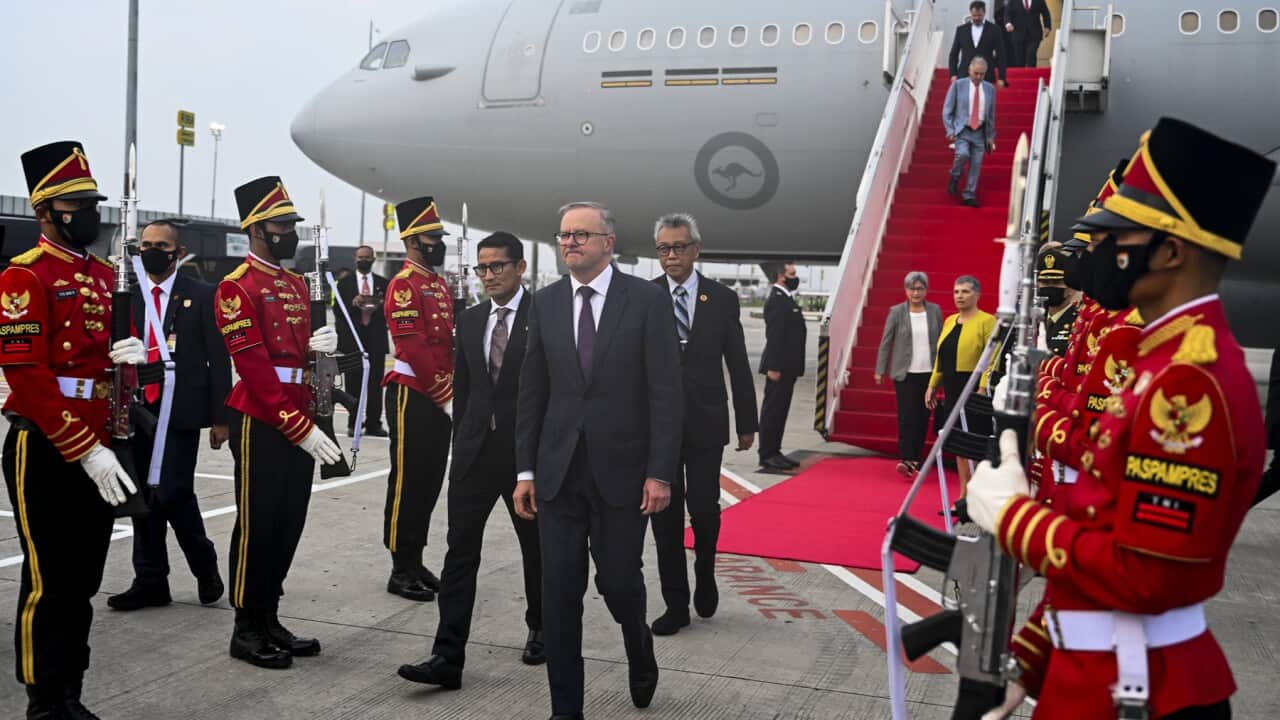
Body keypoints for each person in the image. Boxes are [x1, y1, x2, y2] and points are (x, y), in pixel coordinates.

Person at [968, 117, 1275, 719]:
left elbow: (1143, 576)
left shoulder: (1189, 385)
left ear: (1169, 251)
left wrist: (1015, 518)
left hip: (1142, 693)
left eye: (1119, 237)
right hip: (1098, 676)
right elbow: (1102, 526)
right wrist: (1030, 660)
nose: (1099, 253)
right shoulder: (1160, 359)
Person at [514, 201, 682, 720]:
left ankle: (638, 642)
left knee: (618, 582)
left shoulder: (646, 300)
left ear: (608, 242)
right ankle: (566, 710)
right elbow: (531, 394)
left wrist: (659, 471)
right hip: (558, 475)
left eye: (581, 235)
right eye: (563, 235)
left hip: (623, 475)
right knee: (560, 592)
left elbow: (665, 394)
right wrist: (525, 471)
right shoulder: (543, 304)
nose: (570, 243)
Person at [1, 140, 149, 718]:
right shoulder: (24, 276)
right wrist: (85, 449)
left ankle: (71, 691)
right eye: (77, 204)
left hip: (99, 440)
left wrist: (130, 360)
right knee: (49, 582)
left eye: (92, 202)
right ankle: (43, 701)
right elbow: (28, 376)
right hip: (47, 443)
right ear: (46, 211)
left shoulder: (97, 277)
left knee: (84, 579)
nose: (89, 213)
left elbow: (99, 365)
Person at [397, 231, 545, 690]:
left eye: (497, 266)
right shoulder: (473, 317)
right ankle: (447, 656)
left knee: (536, 550)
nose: (489, 276)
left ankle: (542, 628)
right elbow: (464, 388)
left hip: (526, 457)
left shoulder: (544, 317)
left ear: (521, 268)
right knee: (459, 554)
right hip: (475, 454)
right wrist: (461, 440)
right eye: (482, 268)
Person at [214, 175, 345, 670]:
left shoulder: (295, 284)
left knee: (289, 522)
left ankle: (269, 616)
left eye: (292, 224)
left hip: (300, 416)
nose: (292, 232)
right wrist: (299, 426)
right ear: (257, 229)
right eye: (283, 225)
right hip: (263, 420)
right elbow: (254, 369)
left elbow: (304, 361)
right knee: (257, 524)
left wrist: (325, 353)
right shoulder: (236, 288)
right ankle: (245, 626)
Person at [107, 219, 230, 612]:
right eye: (145, 244)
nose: (151, 251)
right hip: (136, 407)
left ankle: (204, 564)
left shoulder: (202, 294)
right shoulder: (129, 295)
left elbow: (218, 359)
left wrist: (220, 417)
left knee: (175, 493)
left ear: (178, 253)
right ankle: (150, 580)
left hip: (179, 410)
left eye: (161, 245)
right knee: (142, 496)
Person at [648, 213, 758, 636]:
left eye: (678, 247)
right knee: (665, 512)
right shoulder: (647, 296)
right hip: (658, 425)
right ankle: (675, 603)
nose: (670, 255)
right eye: (663, 249)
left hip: (707, 419)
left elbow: (737, 363)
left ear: (696, 249)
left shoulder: (722, 298)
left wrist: (747, 421)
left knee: (705, 507)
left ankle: (706, 571)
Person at [380, 196, 455, 602]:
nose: (438, 243)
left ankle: (415, 557)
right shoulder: (404, 285)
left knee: (428, 481)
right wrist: (444, 393)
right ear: (412, 239)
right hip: (413, 393)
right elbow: (414, 347)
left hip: (437, 395)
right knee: (408, 481)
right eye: (432, 237)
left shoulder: (437, 283)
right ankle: (400, 565)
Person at [925, 276, 996, 494]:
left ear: (977, 295)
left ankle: (978, 493)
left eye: (965, 292)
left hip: (973, 388)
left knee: (973, 442)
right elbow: (940, 358)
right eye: (956, 292)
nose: (959, 296)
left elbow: (992, 358)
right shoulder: (950, 321)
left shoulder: (987, 321)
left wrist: (983, 387)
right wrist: (932, 385)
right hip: (952, 387)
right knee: (958, 444)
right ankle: (963, 493)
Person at [875, 271, 942, 478]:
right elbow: (886, 341)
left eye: (920, 288)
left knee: (923, 416)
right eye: (912, 288)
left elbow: (941, 339)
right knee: (906, 416)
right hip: (905, 373)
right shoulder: (896, 312)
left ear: (926, 290)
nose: (915, 292)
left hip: (928, 373)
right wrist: (880, 369)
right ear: (906, 290)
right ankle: (906, 458)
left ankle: (917, 458)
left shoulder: (934, 311)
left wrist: (942, 370)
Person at [335, 245, 389, 436]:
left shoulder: (384, 283)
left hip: (375, 341)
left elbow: (391, 312)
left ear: (373, 259)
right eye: (361, 257)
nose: (364, 260)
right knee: (353, 385)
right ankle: (354, 423)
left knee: (375, 385)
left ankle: (374, 423)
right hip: (353, 343)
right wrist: (353, 304)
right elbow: (338, 313)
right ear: (355, 259)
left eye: (367, 257)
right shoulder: (343, 284)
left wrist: (376, 307)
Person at [757, 261, 806, 471]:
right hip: (779, 367)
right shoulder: (777, 300)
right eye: (792, 274)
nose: (795, 277)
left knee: (780, 411)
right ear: (781, 277)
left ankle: (775, 451)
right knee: (773, 411)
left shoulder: (786, 298)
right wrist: (774, 366)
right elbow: (775, 336)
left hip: (788, 367)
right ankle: (767, 454)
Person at [943, 57, 997, 208]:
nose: (979, 77)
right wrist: (950, 130)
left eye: (982, 74)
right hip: (963, 130)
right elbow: (947, 109)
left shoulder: (989, 89)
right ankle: (955, 176)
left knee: (976, 164)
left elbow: (991, 115)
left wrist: (991, 136)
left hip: (980, 132)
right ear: (969, 70)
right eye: (976, 73)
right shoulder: (958, 85)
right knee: (963, 154)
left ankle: (969, 195)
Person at [948, 1, 1007, 88]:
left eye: (979, 15)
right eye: (974, 15)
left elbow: (1001, 54)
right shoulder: (961, 30)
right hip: (964, 75)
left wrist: (1002, 77)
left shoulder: (995, 30)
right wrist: (953, 74)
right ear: (970, 13)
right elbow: (954, 54)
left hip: (987, 75)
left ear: (984, 13)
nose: (976, 18)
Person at [1036, 246, 1078, 357]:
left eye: (1056, 282)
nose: (1050, 287)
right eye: (1045, 282)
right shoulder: (1034, 319)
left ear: (1071, 288)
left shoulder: (1078, 322)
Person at [1004, 0, 1052, 68]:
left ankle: (1032, 73)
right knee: (1019, 59)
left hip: (1035, 33)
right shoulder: (1013, 1)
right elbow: (1007, 13)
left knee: (1031, 54)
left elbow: (1046, 13)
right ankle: (1021, 75)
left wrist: (1047, 26)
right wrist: (1008, 24)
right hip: (1018, 33)